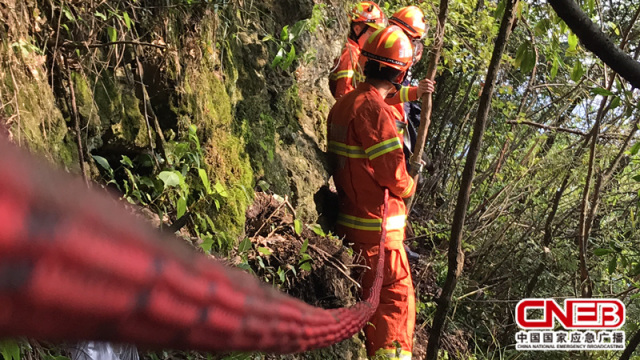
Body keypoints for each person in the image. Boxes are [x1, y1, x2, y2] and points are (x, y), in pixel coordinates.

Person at [327, 25, 430, 360]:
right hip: (380, 240)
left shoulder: (345, 104)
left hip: (352, 228)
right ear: (400, 70)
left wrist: (414, 94)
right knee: (395, 313)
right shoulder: (375, 111)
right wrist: (411, 181)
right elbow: (395, 177)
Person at [328, 1, 386, 99]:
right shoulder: (350, 52)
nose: (373, 40)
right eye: (371, 34)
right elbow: (343, 92)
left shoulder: (354, 50)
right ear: (357, 29)